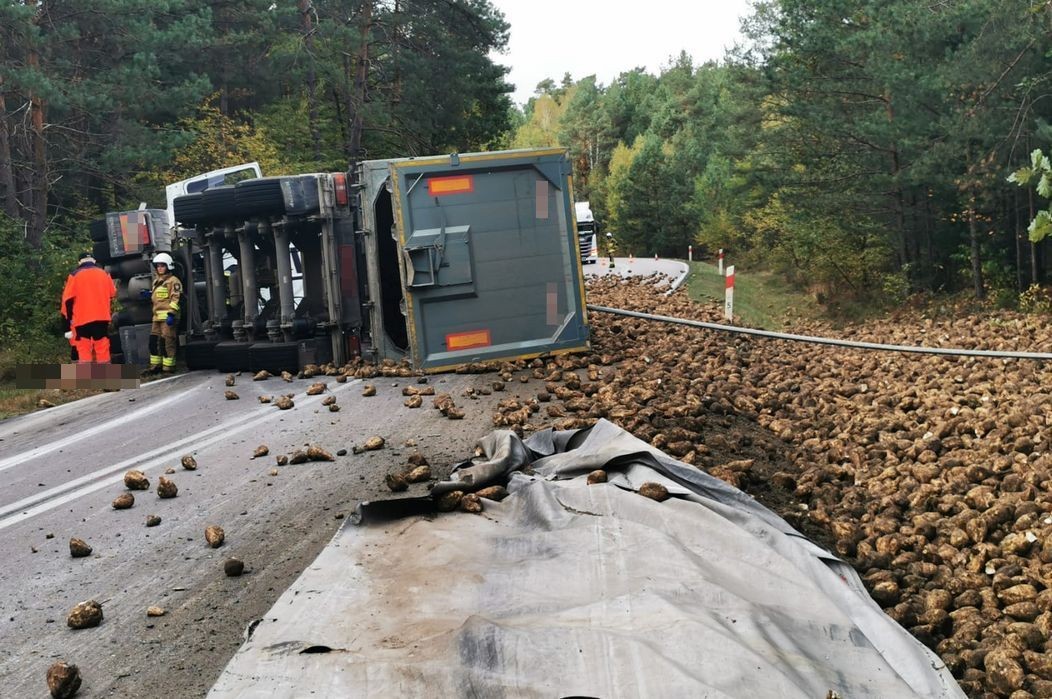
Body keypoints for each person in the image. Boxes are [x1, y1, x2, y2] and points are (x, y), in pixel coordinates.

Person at [60, 252, 117, 363]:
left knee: (84, 349)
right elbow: (112, 293)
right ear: (94, 261)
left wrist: (67, 325)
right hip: (102, 318)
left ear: (79, 262)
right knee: (102, 347)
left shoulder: (74, 276)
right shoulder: (105, 274)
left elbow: (67, 300)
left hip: (82, 320)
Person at [145, 252, 182, 374]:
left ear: (168, 266)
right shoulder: (156, 281)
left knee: (168, 341)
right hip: (156, 317)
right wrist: (148, 294)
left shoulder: (173, 281)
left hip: (168, 318)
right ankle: (155, 366)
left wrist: (171, 314)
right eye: (158, 266)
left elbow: (175, 298)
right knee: (154, 341)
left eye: (162, 265)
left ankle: (169, 367)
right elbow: (158, 298)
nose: (160, 268)